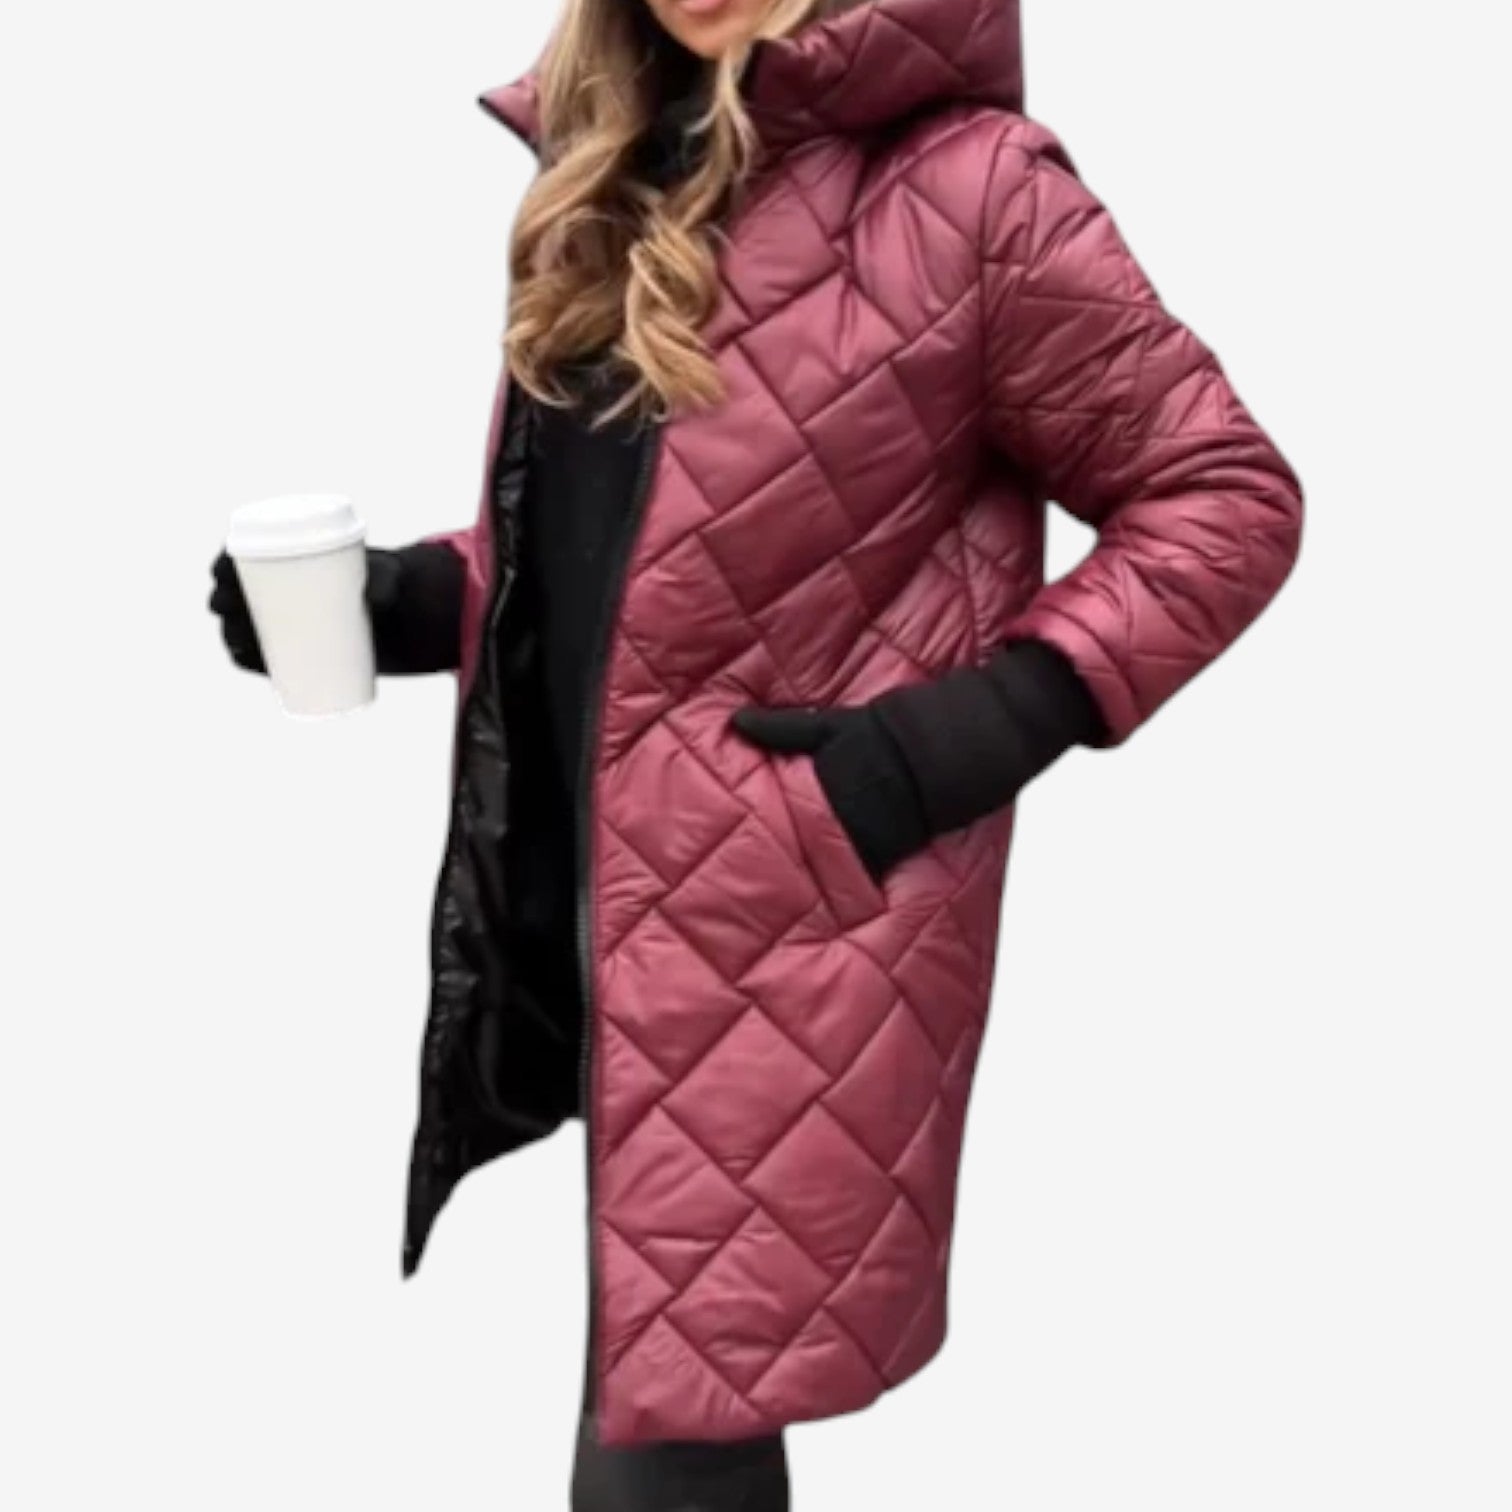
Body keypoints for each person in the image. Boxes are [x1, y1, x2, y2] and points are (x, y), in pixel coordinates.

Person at [210, 0, 1305, 1506]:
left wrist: (954, 740)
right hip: (615, 918)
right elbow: (647, 566)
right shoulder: (623, 173)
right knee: (673, 1410)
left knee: (670, 1445)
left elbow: (1225, 495)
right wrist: (401, 602)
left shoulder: (974, 191)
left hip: (789, 932)